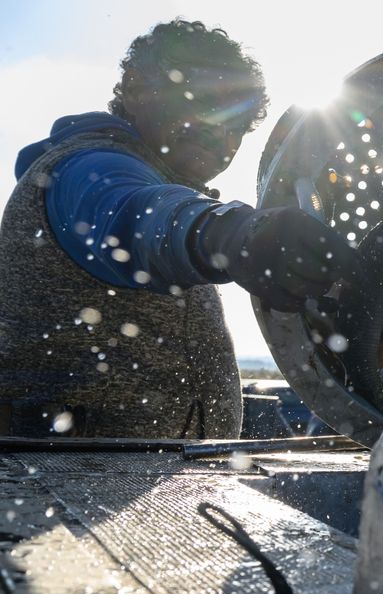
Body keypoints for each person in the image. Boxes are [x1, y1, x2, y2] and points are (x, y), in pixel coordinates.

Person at [0, 19, 353, 439]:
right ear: (134, 90)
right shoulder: (85, 169)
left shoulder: (166, 188)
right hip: (67, 482)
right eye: (205, 102)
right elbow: (136, 217)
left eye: (237, 128)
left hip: (143, 480)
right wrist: (233, 235)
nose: (223, 136)